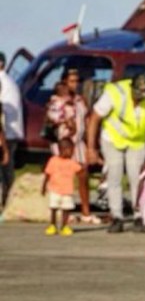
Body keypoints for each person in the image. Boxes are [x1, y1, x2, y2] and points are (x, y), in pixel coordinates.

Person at [86, 71, 145, 233]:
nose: (139, 99)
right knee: (114, 175)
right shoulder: (115, 93)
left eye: (142, 95)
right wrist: (91, 149)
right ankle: (117, 217)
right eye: (137, 94)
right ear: (131, 88)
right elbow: (94, 118)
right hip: (112, 138)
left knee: (137, 177)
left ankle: (139, 215)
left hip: (137, 141)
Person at [46, 69, 100, 224]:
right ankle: (61, 211)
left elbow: (87, 118)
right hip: (63, 144)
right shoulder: (56, 100)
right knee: (63, 178)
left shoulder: (80, 100)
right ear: (64, 82)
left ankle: (85, 211)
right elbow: (51, 118)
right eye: (71, 81)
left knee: (83, 174)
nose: (75, 85)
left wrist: (91, 143)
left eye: (77, 81)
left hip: (78, 143)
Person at [41, 137, 82, 237]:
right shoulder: (53, 160)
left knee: (66, 209)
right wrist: (43, 186)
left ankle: (64, 226)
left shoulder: (72, 163)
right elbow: (47, 174)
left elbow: (80, 171)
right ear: (62, 149)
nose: (72, 153)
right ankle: (53, 225)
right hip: (55, 189)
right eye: (70, 150)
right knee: (53, 208)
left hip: (67, 190)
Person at [0, 51, 24, 208]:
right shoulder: (9, 80)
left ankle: (7, 201)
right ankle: (8, 201)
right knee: (7, 170)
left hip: (5, 132)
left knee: (4, 170)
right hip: (12, 131)